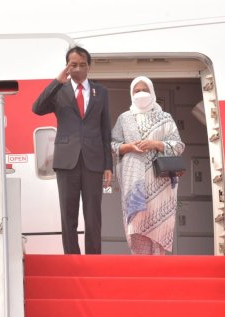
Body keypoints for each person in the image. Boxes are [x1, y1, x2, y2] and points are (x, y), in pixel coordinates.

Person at [32, 46, 112, 255]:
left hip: (93, 161)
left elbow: (105, 130)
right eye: (73, 65)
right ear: (67, 66)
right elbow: (37, 108)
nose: (78, 69)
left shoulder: (100, 92)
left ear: (89, 67)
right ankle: (71, 260)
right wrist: (57, 81)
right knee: (68, 215)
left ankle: (94, 259)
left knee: (93, 214)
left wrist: (108, 165)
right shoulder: (60, 91)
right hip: (66, 161)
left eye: (82, 65)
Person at [111, 76, 185, 255]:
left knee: (158, 223)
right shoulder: (124, 119)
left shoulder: (165, 118)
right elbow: (113, 145)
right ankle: (141, 268)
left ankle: (158, 269)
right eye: (137, 91)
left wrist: (155, 144)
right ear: (131, 94)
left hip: (159, 182)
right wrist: (129, 147)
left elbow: (178, 146)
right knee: (136, 225)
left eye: (145, 90)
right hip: (133, 182)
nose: (141, 94)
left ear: (152, 92)